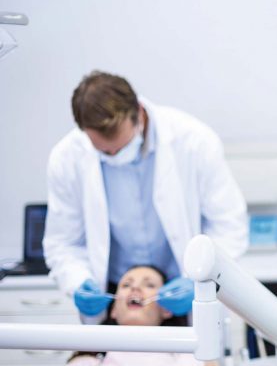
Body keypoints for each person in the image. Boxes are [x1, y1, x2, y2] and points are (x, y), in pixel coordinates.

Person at [44, 71, 248, 320]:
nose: (114, 155)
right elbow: (63, 243)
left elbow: (229, 226)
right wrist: (77, 281)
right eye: (104, 152)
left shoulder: (195, 141)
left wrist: (200, 279)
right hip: (112, 293)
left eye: (121, 146)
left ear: (139, 113)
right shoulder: (67, 158)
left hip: (185, 290)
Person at [67, 265, 217, 366]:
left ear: (166, 309)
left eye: (149, 285)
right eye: (126, 285)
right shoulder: (89, 361)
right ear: (113, 310)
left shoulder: (187, 356)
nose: (135, 287)